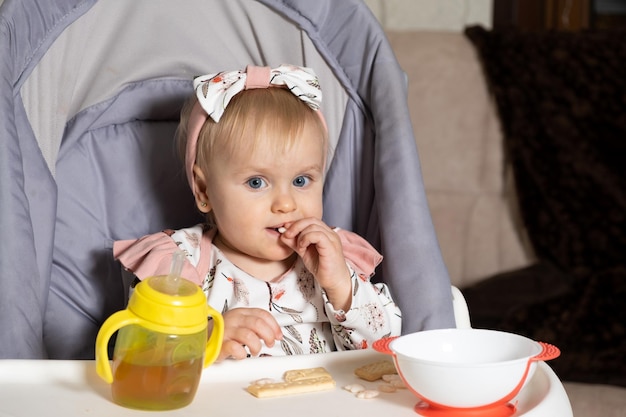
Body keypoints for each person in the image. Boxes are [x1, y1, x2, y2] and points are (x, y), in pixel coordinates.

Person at [113, 64, 401, 361]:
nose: (286, 204)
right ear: (204, 190)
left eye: (301, 181)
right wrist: (207, 339)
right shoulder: (181, 262)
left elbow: (387, 350)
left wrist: (341, 285)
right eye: (256, 182)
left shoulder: (333, 258)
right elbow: (136, 356)